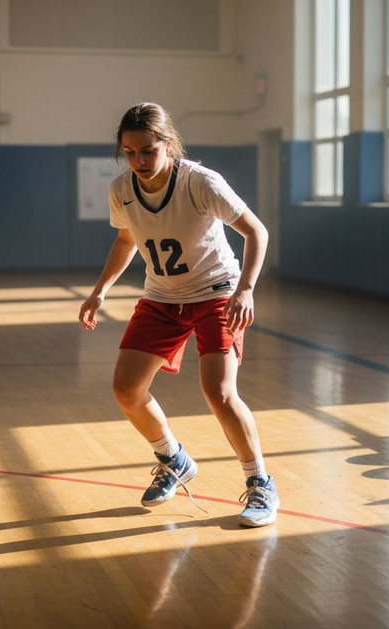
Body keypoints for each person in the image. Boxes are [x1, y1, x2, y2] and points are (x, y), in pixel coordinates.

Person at [78, 102, 278, 527]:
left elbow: (256, 231)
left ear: (167, 144)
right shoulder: (122, 189)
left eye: (147, 151)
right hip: (162, 297)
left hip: (215, 294)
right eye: (129, 153)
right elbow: (126, 240)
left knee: (219, 393)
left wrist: (245, 289)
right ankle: (174, 459)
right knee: (126, 389)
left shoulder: (201, 182)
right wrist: (99, 292)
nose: (139, 161)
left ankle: (260, 482)